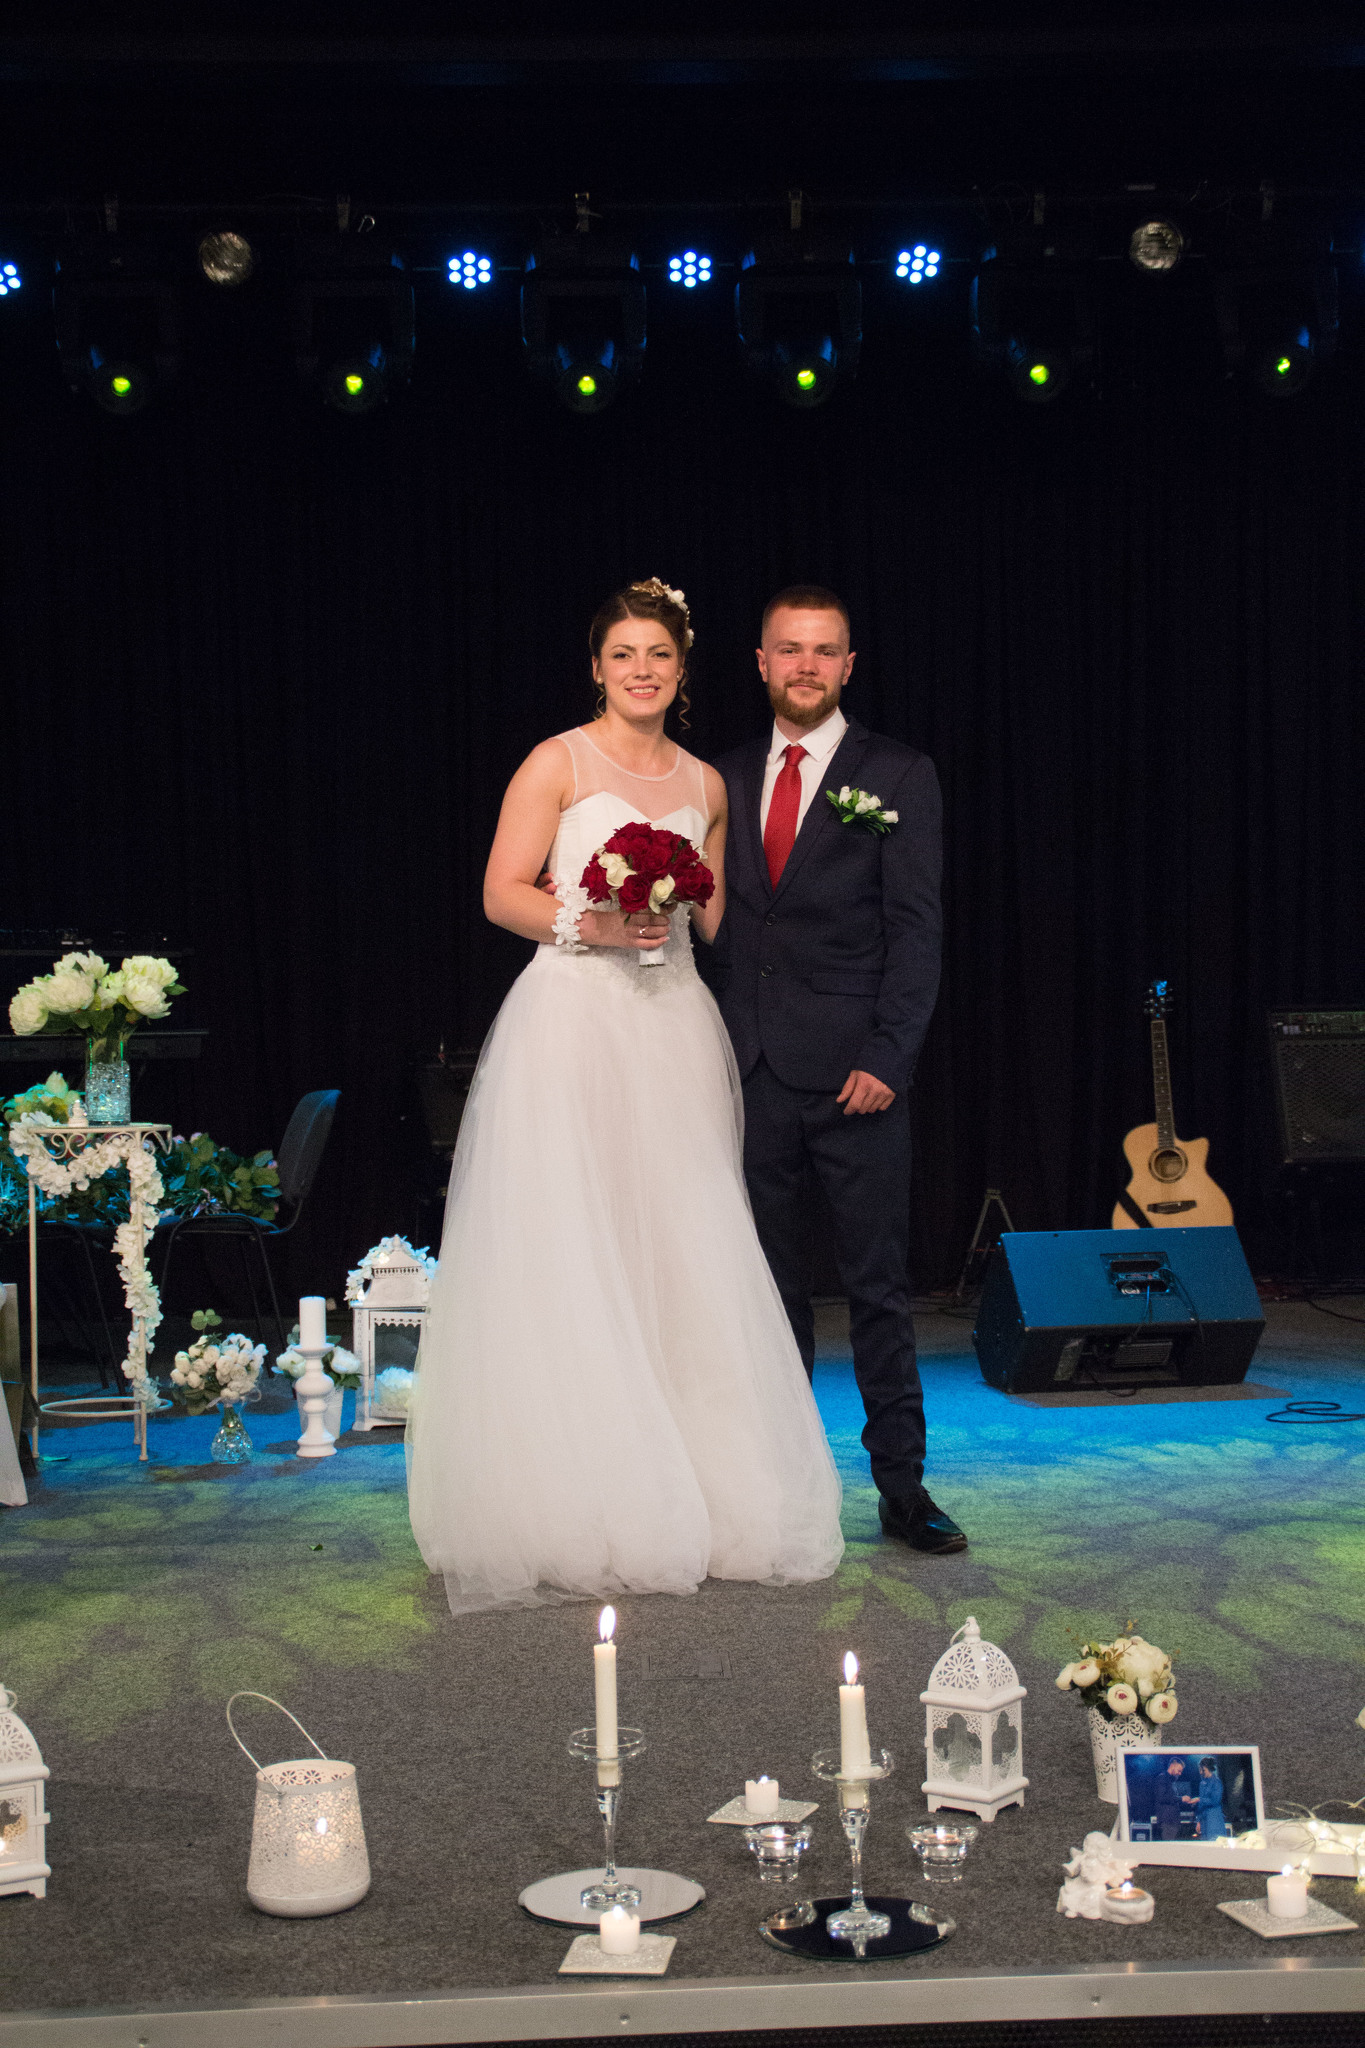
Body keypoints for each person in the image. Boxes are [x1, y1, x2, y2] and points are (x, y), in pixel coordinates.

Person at [406, 579, 844, 1614]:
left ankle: (702, 1481)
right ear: (597, 668)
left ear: (682, 671)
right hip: (572, 1020)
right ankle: (575, 1485)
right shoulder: (555, 761)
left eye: (659, 655)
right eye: (623, 655)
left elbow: (718, 911)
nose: (641, 671)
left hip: (672, 1022)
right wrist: (598, 921)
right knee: (575, 1239)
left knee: (684, 1238)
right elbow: (501, 890)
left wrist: (720, 895)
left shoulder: (707, 782)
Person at [708, 586, 962, 1552]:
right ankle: (778, 1494)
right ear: (760, 661)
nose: (805, 665)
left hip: (858, 1080)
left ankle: (903, 1490)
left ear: (848, 666)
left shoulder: (897, 772)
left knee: (877, 1292)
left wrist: (889, 1056)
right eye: (789, 649)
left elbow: (916, 930)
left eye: (823, 651)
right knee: (765, 1298)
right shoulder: (722, 775)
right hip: (749, 1075)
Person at [1152, 1756, 1196, 1840]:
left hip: (1173, 1822)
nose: (1180, 1773)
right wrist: (1181, 1799)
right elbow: (1162, 1797)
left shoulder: (1171, 1781)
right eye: (1179, 1770)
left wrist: (1187, 1801)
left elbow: (1172, 1799)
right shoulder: (1162, 1778)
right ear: (1173, 1765)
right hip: (1167, 1822)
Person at [1195, 1757, 1228, 1838]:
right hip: (1204, 1820)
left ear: (1209, 1769)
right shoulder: (1202, 1784)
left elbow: (1215, 1800)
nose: (1201, 1772)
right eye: (1200, 1770)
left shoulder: (1216, 1782)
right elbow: (1200, 1805)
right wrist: (1198, 1821)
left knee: (1214, 1840)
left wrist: (1199, 1799)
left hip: (1214, 1819)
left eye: (1203, 1770)